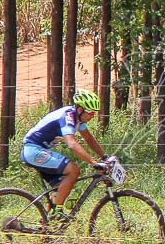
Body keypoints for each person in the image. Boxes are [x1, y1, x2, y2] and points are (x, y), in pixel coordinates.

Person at [21, 90, 109, 222]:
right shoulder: (67, 116)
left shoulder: (78, 119)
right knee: (73, 170)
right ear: (80, 109)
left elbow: (89, 139)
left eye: (94, 113)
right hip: (33, 150)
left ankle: (46, 224)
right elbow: (72, 144)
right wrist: (93, 162)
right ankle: (58, 212)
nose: (93, 116)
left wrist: (105, 157)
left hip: (38, 149)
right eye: (91, 113)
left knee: (61, 187)